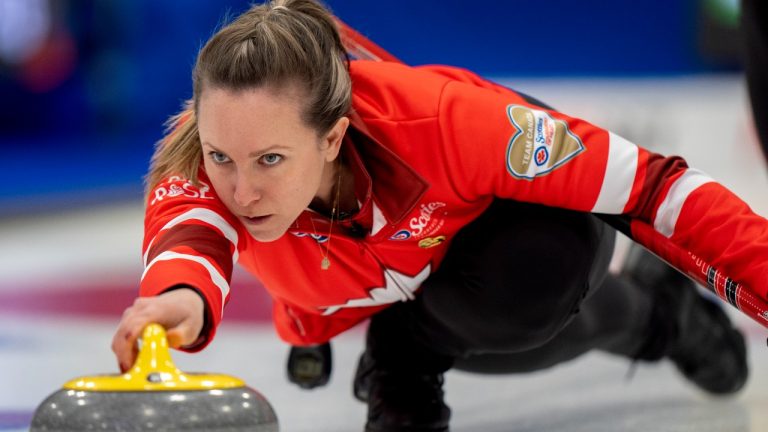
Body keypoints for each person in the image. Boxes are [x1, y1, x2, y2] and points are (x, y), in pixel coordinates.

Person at [111, 1, 766, 431]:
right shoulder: (200, 162)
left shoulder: (444, 123)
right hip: (417, 289)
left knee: (532, 287)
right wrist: (179, 301)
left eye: (271, 159)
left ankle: (659, 317)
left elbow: (653, 188)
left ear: (333, 138)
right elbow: (188, 237)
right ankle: (408, 353)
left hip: (508, 228)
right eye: (223, 156)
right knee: (479, 322)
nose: (241, 191)